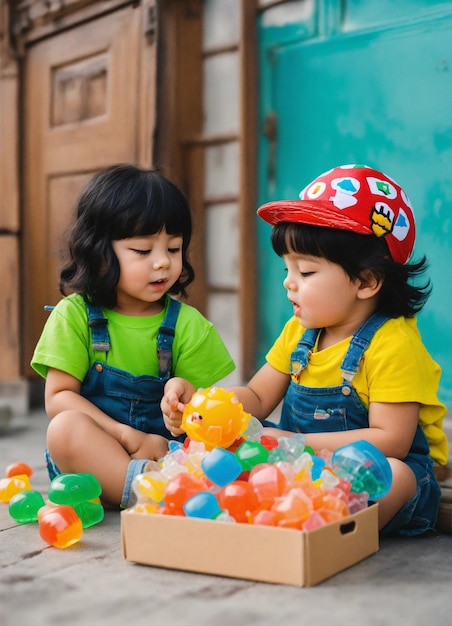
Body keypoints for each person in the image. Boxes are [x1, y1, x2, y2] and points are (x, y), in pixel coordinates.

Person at [162, 163, 448, 535]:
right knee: (228, 448)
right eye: (287, 270)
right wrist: (207, 406)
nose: (289, 284)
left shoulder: (393, 344)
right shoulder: (300, 330)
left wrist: (296, 442)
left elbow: (391, 440)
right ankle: (288, 517)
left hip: (368, 472)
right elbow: (257, 396)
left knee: (396, 476)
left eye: (306, 273)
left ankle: (330, 536)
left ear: (366, 281)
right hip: (301, 469)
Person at [31, 163, 235, 508]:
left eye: (173, 249)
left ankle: (162, 489)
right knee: (63, 429)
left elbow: (208, 411)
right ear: (99, 252)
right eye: (143, 251)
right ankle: (146, 494)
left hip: (167, 461)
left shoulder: (189, 325)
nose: (163, 264)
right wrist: (126, 436)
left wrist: (184, 396)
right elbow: (59, 398)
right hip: (96, 462)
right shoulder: (75, 315)